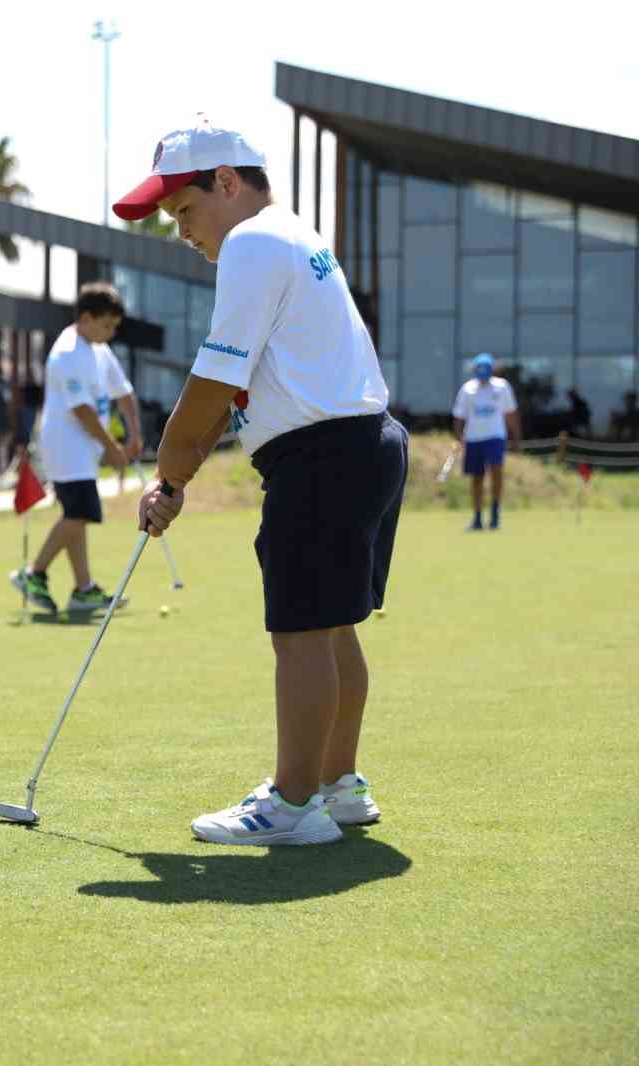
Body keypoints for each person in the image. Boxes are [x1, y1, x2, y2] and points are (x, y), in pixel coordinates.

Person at [117, 116, 408, 847]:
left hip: (324, 459)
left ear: (227, 183)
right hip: (365, 446)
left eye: (185, 211)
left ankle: (294, 804)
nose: (181, 231)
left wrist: (167, 474)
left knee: (301, 633)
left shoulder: (250, 242)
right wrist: (180, 479)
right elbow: (238, 382)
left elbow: (213, 378)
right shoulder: (291, 234)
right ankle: (339, 786)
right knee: (331, 625)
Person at [8, 282, 135, 614]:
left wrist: (133, 435)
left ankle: (83, 590)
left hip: (83, 448)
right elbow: (82, 410)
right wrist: (111, 448)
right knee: (81, 513)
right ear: (86, 318)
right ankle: (34, 573)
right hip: (65, 446)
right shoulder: (67, 353)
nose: (110, 333)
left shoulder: (97, 348)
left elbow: (123, 392)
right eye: (106, 325)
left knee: (76, 516)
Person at [451, 353, 520, 531]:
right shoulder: (467, 389)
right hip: (473, 438)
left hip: (495, 436)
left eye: (486, 369)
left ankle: (495, 514)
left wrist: (515, 437)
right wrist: (459, 438)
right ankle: (477, 518)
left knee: (496, 472)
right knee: (476, 478)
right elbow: (459, 416)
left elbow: (510, 413)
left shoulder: (501, 387)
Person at [97, 341, 142, 496]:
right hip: (107, 431)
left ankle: (121, 484)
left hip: (118, 431)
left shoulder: (117, 397)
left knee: (122, 459)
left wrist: (134, 434)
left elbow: (125, 396)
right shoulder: (105, 397)